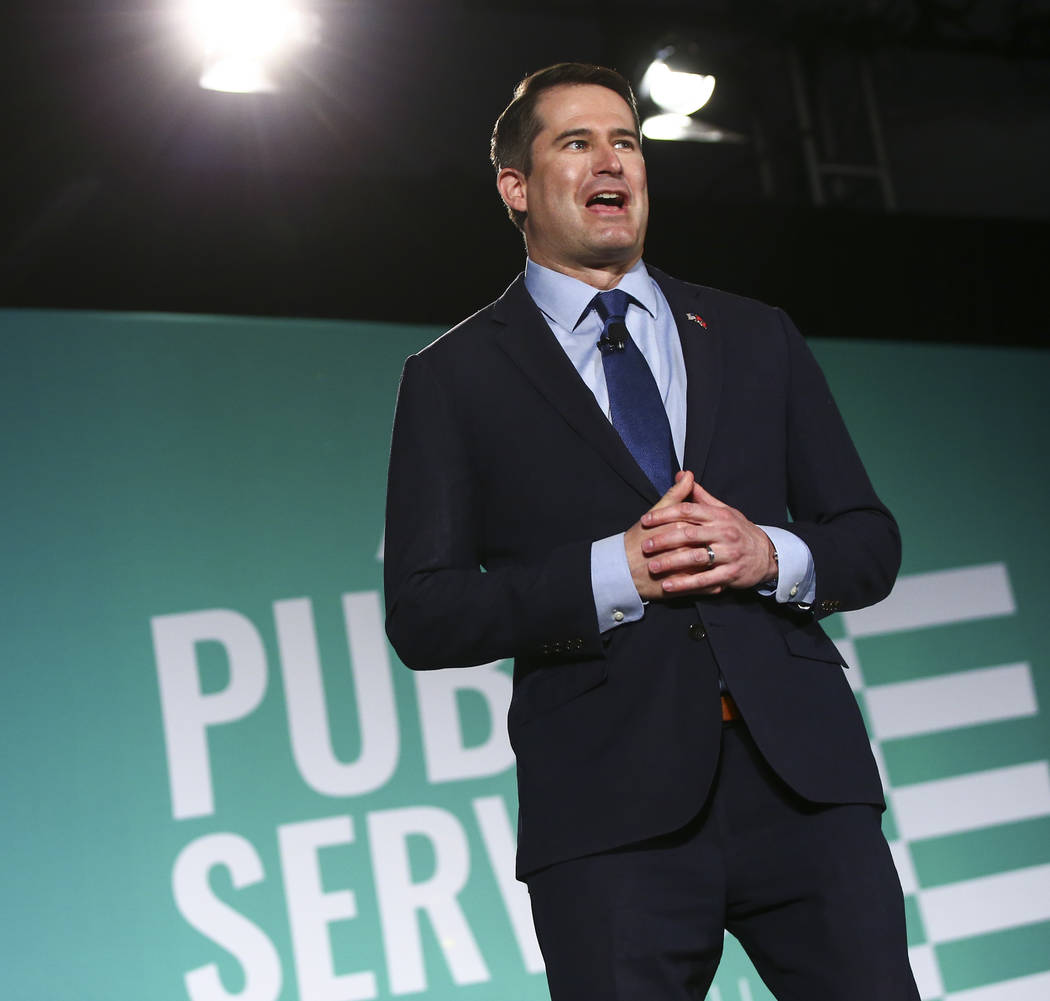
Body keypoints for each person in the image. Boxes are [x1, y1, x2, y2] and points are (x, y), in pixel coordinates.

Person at [384, 62, 919, 1001]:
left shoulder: (756, 335)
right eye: (577, 142)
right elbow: (424, 613)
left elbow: (868, 540)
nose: (613, 161)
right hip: (606, 815)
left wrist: (771, 553)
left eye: (627, 141)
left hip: (803, 788)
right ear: (516, 186)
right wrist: (610, 573)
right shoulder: (453, 377)